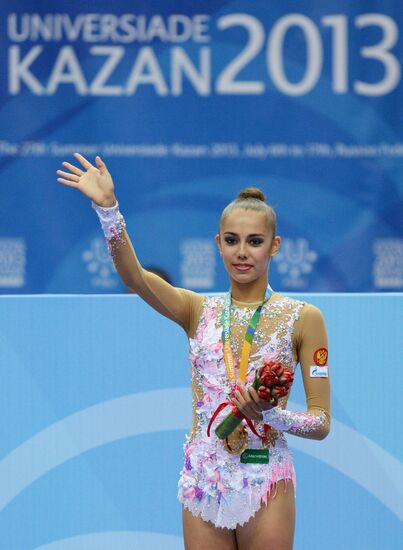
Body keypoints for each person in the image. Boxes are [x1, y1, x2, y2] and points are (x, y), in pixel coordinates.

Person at [56, 153, 330, 550]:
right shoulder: (196, 310)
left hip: (265, 476)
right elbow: (134, 277)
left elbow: (321, 423)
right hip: (205, 479)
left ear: (275, 246)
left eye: (255, 242)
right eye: (232, 240)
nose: (242, 252)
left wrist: (273, 415)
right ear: (218, 243)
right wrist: (108, 210)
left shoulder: (303, 318)